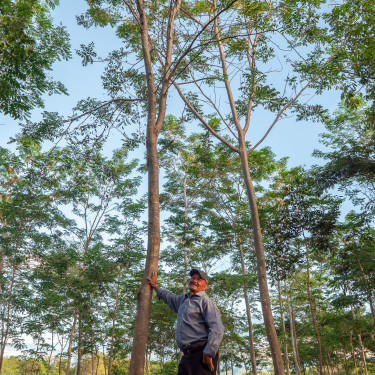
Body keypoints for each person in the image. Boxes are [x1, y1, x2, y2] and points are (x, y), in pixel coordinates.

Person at [147, 269, 224, 374]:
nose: (194, 280)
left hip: (201, 355)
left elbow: (217, 328)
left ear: (205, 286)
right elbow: (169, 297)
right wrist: (155, 286)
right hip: (187, 357)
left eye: (199, 279)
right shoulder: (183, 300)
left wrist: (208, 353)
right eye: (193, 278)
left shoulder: (205, 302)